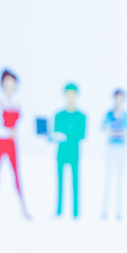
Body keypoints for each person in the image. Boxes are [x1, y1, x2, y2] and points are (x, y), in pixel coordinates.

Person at [0, 68, 31, 219]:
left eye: (12, 83)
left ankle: (23, 206)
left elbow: (23, 124)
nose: (10, 85)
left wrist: (16, 133)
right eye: (7, 82)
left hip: (12, 143)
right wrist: (8, 132)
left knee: (16, 173)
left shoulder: (17, 103)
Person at [49, 82, 87, 217]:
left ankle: (75, 211)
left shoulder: (81, 116)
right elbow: (55, 133)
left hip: (74, 152)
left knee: (75, 182)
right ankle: (59, 210)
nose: (70, 96)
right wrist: (51, 136)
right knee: (60, 183)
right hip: (61, 152)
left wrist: (65, 136)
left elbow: (82, 135)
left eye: (73, 94)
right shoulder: (58, 115)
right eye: (68, 94)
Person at [100, 88, 127, 219]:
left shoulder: (126, 115)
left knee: (119, 180)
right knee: (108, 179)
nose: (119, 100)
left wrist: (121, 132)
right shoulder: (109, 114)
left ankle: (118, 212)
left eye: (121, 98)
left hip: (121, 148)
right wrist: (112, 131)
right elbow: (103, 128)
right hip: (110, 147)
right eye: (117, 97)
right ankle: (105, 210)